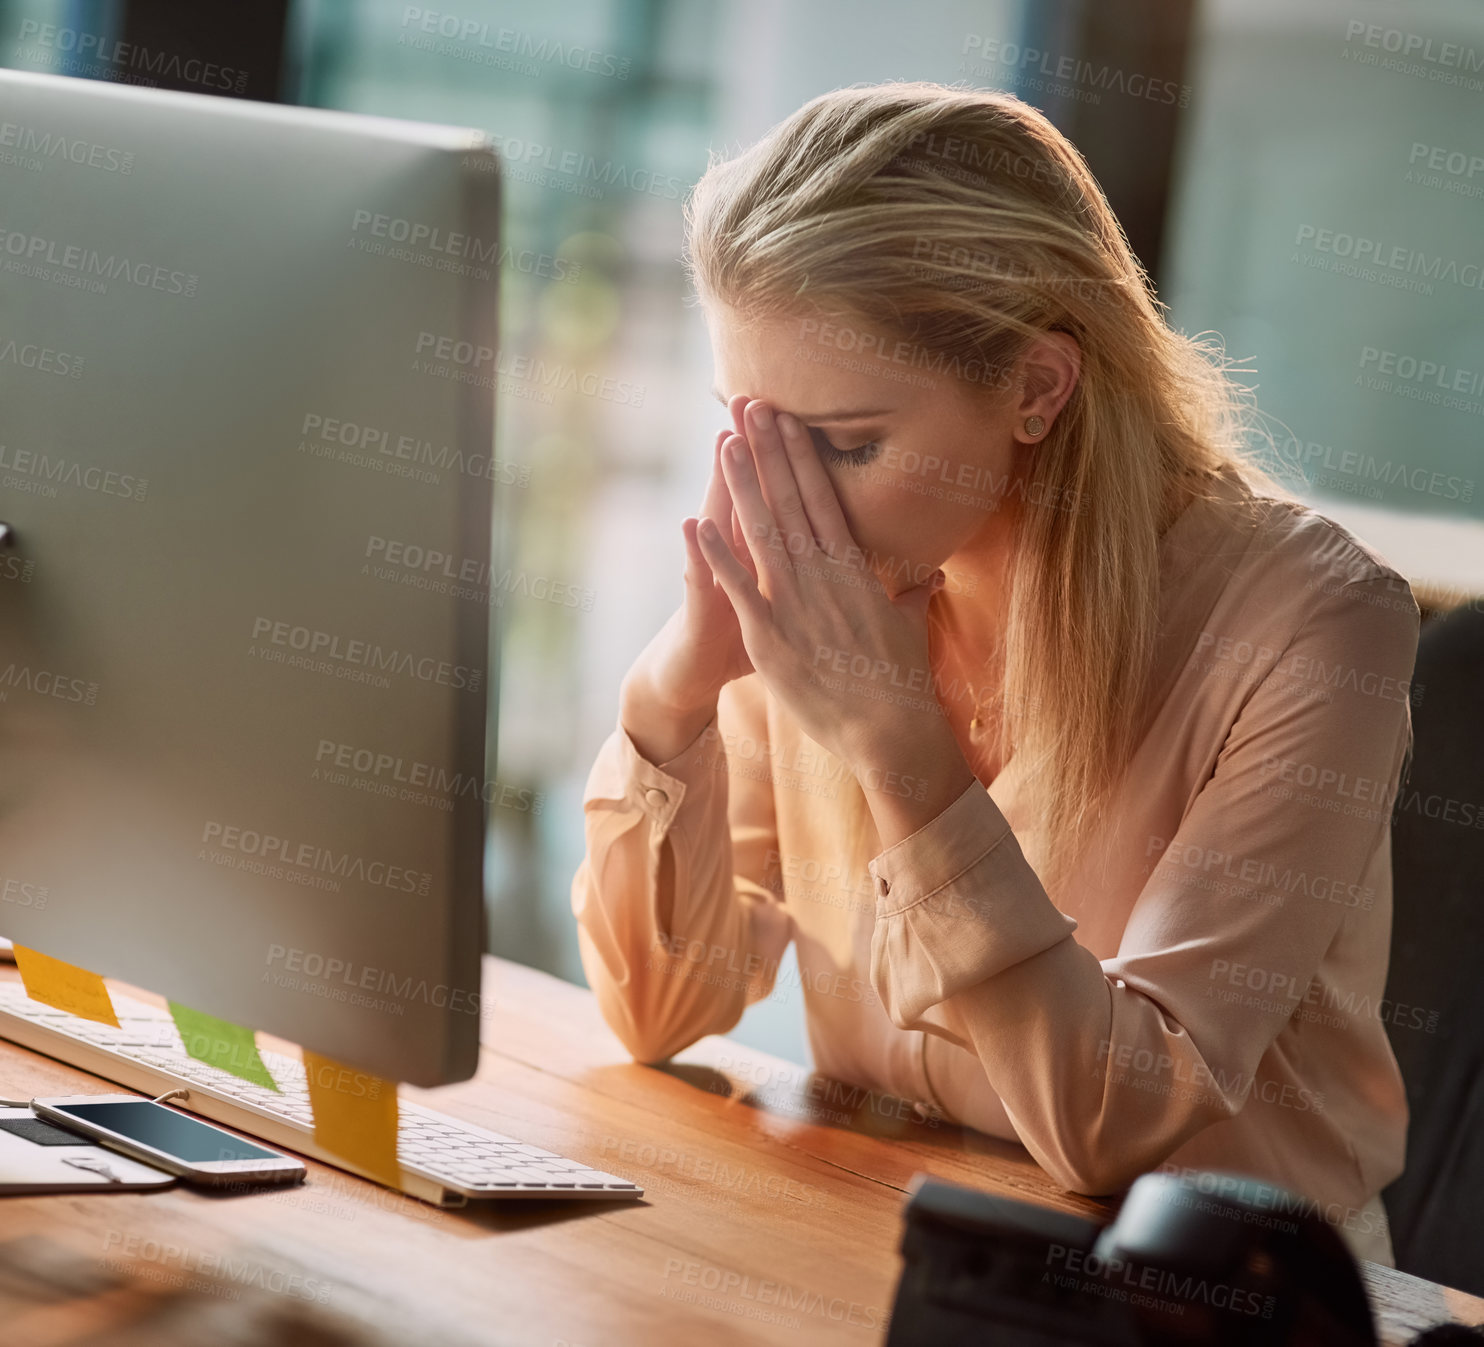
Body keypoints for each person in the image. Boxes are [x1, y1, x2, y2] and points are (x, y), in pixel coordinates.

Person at [570, 81, 1417, 1266]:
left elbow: (1111, 1127)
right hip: (886, 1246)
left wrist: (902, 758)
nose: (783, 502)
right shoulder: (832, 581)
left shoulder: (1311, 622)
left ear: (1034, 389)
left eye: (846, 444)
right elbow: (660, 1011)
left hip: (1208, 1310)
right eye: (748, 431)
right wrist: (673, 698)